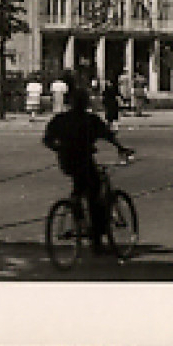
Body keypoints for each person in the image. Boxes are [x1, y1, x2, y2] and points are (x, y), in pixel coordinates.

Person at [42, 88, 133, 255]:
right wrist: (121, 148)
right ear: (85, 103)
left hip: (66, 162)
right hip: (84, 160)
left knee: (79, 184)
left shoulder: (60, 119)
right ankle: (96, 240)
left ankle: (76, 210)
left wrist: (59, 148)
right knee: (95, 194)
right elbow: (108, 135)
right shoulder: (90, 119)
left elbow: (47, 139)